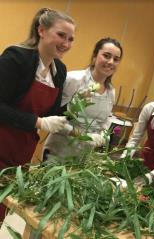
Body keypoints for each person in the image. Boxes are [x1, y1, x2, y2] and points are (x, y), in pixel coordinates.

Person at [0, 8, 75, 223]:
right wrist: (38, 122)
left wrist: (74, 123)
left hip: (21, 152)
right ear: (41, 30)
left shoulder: (59, 71)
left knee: (3, 206)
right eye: (61, 35)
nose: (66, 44)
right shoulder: (16, 58)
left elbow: (52, 114)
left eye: (71, 39)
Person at [44, 38, 123, 158]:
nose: (111, 62)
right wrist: (83, 135)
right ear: (95, 56)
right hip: (59, 151)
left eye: (116, 59)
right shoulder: (74, 79)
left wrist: (103, 134)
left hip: (84, 156)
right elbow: (55, 118)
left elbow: (105, 120)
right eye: (106, 56)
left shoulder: (111, 91)